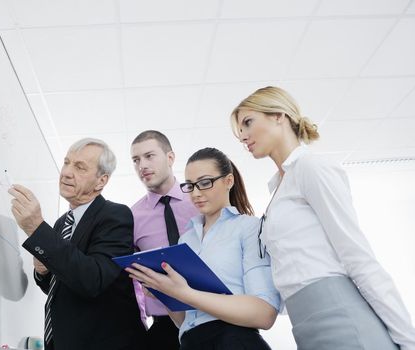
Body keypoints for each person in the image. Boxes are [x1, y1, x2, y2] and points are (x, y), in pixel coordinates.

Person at [231, 86, 415, 349]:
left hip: (340, 317)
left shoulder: (311, 167)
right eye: (240, 131)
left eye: (248, 123)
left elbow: (358, 257)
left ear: (279, 116)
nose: (243, 136)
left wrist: (408, 342)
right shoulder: (278, 189)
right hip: (304, 324)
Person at [127, 147, 281, 350]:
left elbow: (264, 314)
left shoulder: (249, 228)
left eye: (205, 183)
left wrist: (185, 293)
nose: (196, 193)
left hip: (233, 341)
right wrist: (164, 292)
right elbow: (185, 321)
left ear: (228, 181)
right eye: (190, 186)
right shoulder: (186, 239)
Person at [8, 138, 146, 350]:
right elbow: (60, 288)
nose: (66, 172)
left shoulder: (115, 215)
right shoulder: (61, 223)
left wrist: (36, 228)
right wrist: (42, 273)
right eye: (67, 162)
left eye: (80, 167)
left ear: (101, 181)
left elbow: (92, 280)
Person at [130, 130, 198, 349]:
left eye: (149, 156)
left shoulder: (199, 199)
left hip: (214, 315)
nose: (142, 165)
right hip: (164, 327)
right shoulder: (131, 217)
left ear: (170, 158)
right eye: (136, 160)